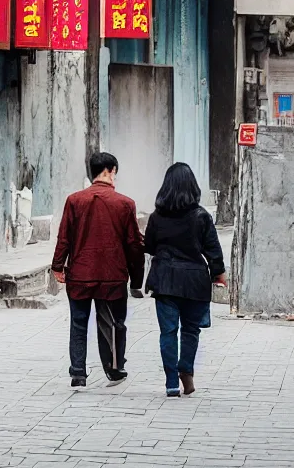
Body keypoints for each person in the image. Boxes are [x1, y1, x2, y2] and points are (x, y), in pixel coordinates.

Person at [52, 152, 145, 389]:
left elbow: (64, 237)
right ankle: (114, 369)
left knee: (79, 323)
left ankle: (78, 373)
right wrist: (136, 279)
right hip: (112, 275)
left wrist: (57, 266)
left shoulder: (74, 200)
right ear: (110, 170)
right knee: (113, 324)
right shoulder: (125, 204)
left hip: (80, 274)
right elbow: (134, 245)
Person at [144, 163, 226, 398]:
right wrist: (218, 274)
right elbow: (213, 249)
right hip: (194, 281)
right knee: (191, 330)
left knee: (168, 332)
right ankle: (186, 370)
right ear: (192, 187)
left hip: (165, 280)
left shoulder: (157, 217)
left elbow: (149, 246)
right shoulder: (201, 216)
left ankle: (171, 383)